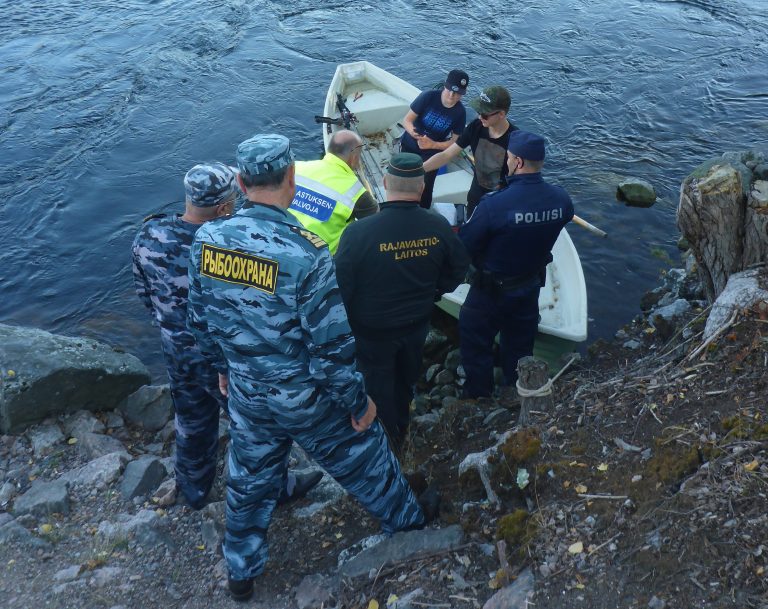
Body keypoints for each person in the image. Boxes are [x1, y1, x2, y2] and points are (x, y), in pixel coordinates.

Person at [186, 135, 428, 601]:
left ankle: (241, 571)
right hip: (308, 398)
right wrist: (358, 403)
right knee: (369, 457)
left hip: (248, 392)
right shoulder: (305, 251)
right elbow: (332, 348)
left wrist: (222, 367)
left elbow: (199, 319)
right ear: (292, 181)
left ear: (240, 183)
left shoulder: (206, 240)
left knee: (249, 479)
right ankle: (409, 523)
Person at [132, 163, 322, 509]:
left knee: (191, 420)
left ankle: (193, 489)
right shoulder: (230, 251)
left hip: (176, 351)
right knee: (254, 428)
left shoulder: (149, 236)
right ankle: (277, 490)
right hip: (224, 360)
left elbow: (146, 296)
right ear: (222, 209)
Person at [335, 153, 470, 449]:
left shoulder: (357, 233)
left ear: (384, 183)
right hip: (416, 324)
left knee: (377, 384)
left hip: (372, 332)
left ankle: (387, 439)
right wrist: (435, 291)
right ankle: (403, 424)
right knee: (407, 377)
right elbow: (459, 268)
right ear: (421, 189)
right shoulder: (437, 227)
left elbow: (341, 287)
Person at [457, 131, 574, 399]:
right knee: (520, 345)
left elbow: (464, 244)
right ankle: (516, 390)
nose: (507, 162)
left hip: (490, 293)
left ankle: (479, 395)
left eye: (509, 158)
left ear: (518, 162)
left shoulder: (493, 205)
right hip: (530, 287)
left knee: (476, 341)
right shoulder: (561, 200)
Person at [423, 86, 518, 218]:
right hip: (476, 194)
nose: (480, 116)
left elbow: (519, 180)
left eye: (484, 114)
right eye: (478, 111)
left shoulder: (516, 140)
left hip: (501, 202)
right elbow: (446, 155)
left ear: (501, 114)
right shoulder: (476, 127)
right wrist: (418, 170)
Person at [288, 129, 378, 255]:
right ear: (354, 158)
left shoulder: (295, 168)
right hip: (320, 260)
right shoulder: (358, 192)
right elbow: (376, 228)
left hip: (283, 245)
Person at [400, 69, 469, 209]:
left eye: (457, 93)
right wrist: (416, 135)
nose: (452, 95)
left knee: (426, 187)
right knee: (403, 180)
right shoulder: (427, 97)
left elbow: (454, 142)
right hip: (409, 145)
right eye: (450, 90)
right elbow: (407, 120)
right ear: (445, 86)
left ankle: (423, 213)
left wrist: (433, 144)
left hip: (433, 154)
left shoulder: (460, 113)